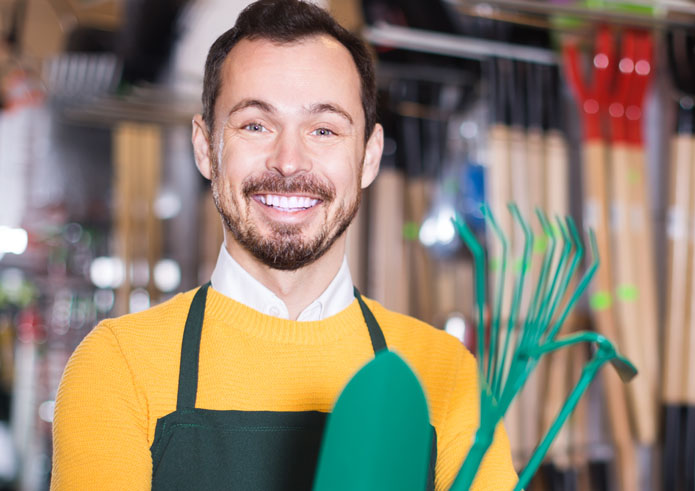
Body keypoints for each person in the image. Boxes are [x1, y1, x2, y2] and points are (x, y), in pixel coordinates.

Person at [50, 1, 516, 489]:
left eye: (324, 129)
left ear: (369, 157)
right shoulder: (118, 366)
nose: (289, 162)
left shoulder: (444, 376)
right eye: (256, 125)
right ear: (206, 147)